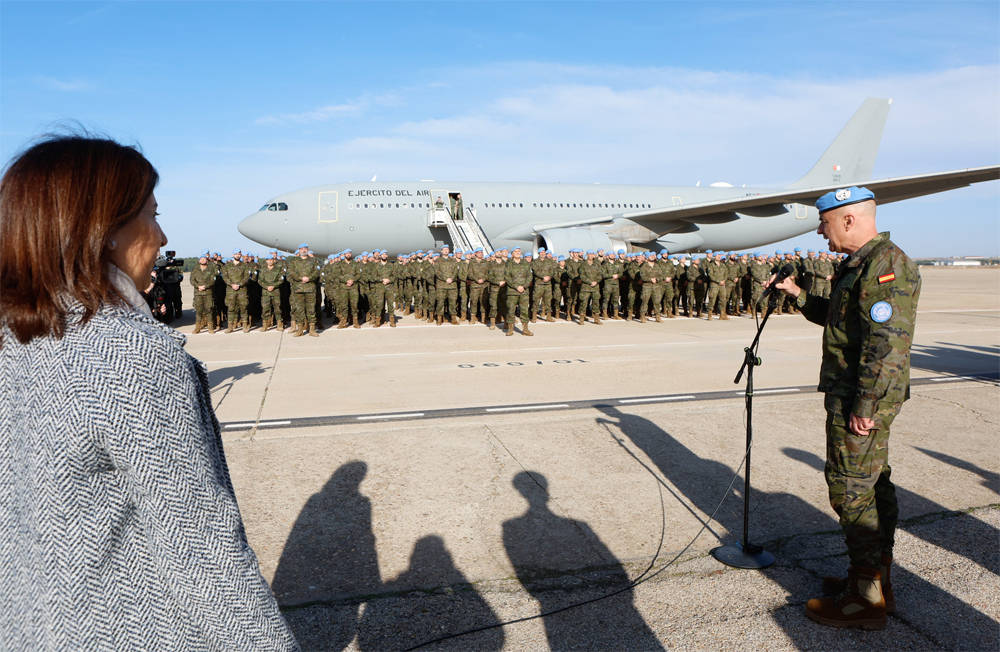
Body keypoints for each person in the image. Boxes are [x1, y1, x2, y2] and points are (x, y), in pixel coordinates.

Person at [0, 135, 298, 649]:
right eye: (151, 214)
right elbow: (199, 548)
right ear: (105, 230)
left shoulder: (15, 335)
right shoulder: (130, 354)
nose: (161, 236)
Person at [766, 186, 920, 630]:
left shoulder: (885, 265)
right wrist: (796, 294)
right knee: (873, 487)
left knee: (850, 491)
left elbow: (887, 344)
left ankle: (864, 601)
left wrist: (866, 405)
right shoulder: (862, 264)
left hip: (861, 400)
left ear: (849, 220)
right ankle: (874, 581)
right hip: (856, 396)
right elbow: (842, 320)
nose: (820, 231)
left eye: (825, 222)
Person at [189, 251, 217, 333]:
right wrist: (198, 286)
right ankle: (197, 328)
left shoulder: (211, 270)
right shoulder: (195, 270)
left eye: (204, 259)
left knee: (209, 310)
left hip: (208, 293)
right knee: (199, 311)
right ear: (199, 261)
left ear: (207, 260)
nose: (203, 260)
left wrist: (205, 286)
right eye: (201, 259)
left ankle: (210, 328)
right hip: (198, 293)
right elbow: (192, 280)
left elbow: (212, 280)